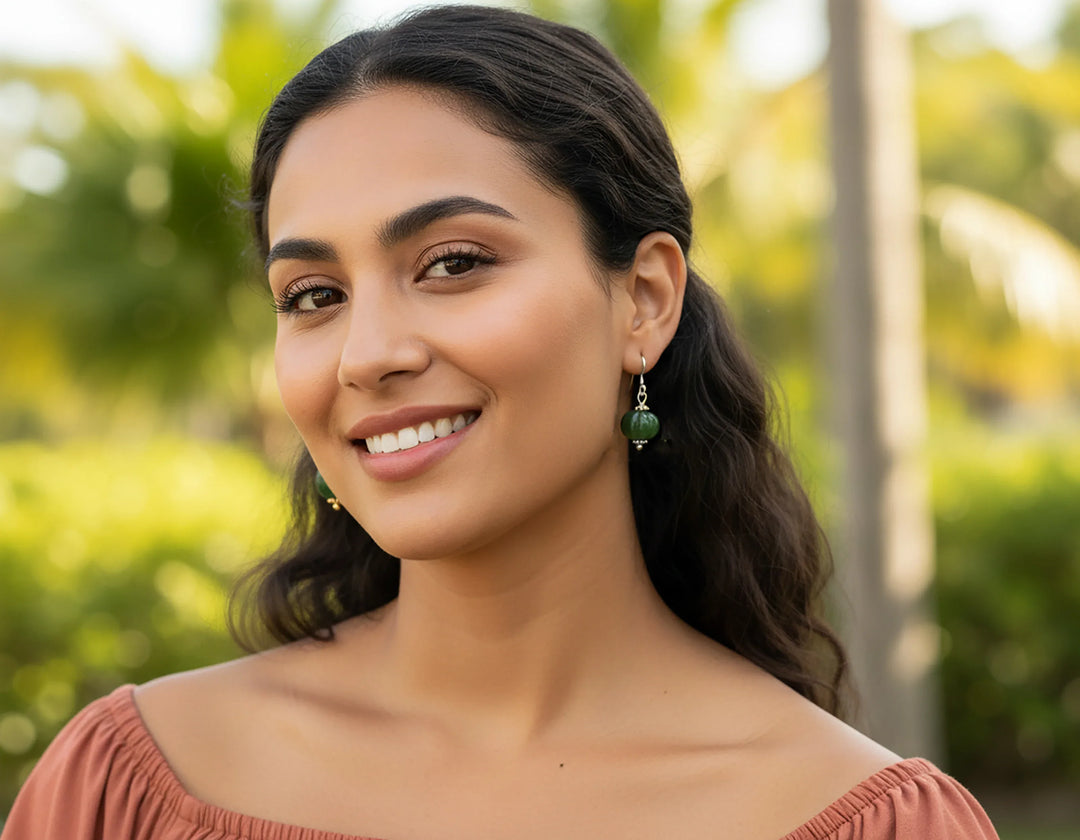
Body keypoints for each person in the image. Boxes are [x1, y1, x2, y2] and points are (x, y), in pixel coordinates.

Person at [2, 5, 999, 839]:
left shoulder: (869, 819)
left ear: (644, 300)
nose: (367, 353)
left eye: (453, 263)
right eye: (312, 294)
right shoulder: (125, 786)